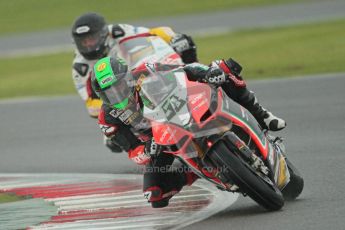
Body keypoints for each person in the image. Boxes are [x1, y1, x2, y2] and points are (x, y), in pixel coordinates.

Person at [91, 56, 286, 208]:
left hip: (183, 108)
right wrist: (146, 150)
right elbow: (132, 151)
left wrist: (208, 73)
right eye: (109, 93)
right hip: (160, 143)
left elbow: (184, 70)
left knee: (223, 68)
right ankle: (196, 173)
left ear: (127, 77)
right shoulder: (108, 119)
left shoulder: (146, 70)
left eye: (119, 86)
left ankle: (262, 116)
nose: (117, 95)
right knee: (154, 194)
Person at [71, 12, 197, 153]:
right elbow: (91, 104)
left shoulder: (117, 32)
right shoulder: (80, 68)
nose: (88, 45)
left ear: (102, 34)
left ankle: (199, 81)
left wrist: (173, 37)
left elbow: (151, 33)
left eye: (91, 39)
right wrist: (116, 103)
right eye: (84, 42)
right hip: (120, 98)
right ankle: (151, 149)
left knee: (185, 44)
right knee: (113, 141)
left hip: (139, 71)